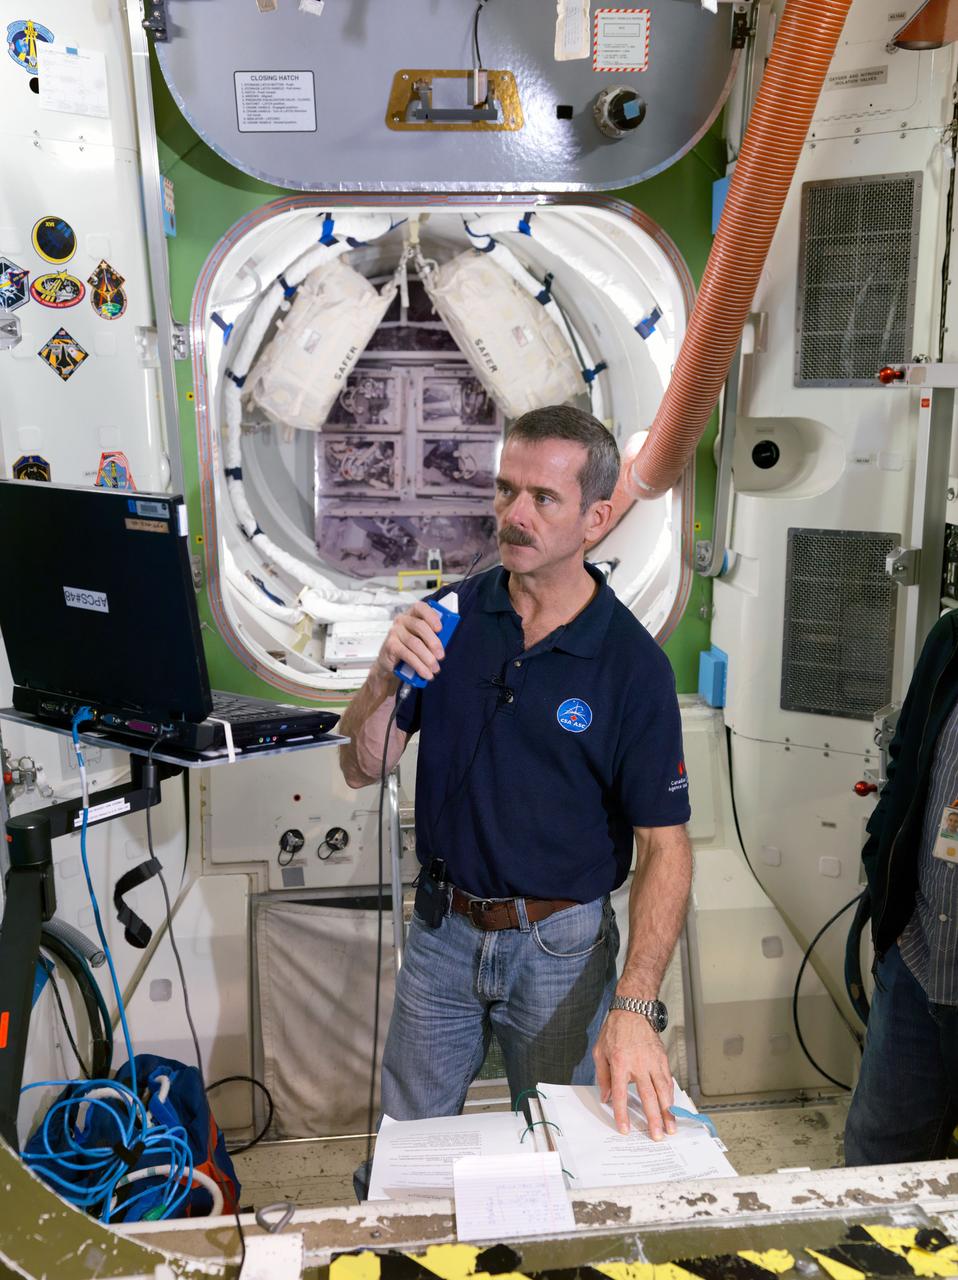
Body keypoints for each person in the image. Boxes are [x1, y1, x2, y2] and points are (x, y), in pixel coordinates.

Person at [338, 404, 692, 1157]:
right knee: (405, 1147)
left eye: (543, 499)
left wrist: (635, 1005)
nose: (514, 515)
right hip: (441, 934)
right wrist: (379, 675)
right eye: (505, 491)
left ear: (596, 519)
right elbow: (364, 764)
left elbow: (668, 849)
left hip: (559, 947)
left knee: (570, 1150)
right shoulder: (449, 617)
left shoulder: (632, 667)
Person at [845, 609, 958, 1165]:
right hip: (917, 954)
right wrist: (880, 861)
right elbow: (907, 757)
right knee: (874, 1163)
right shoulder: (952, 638)